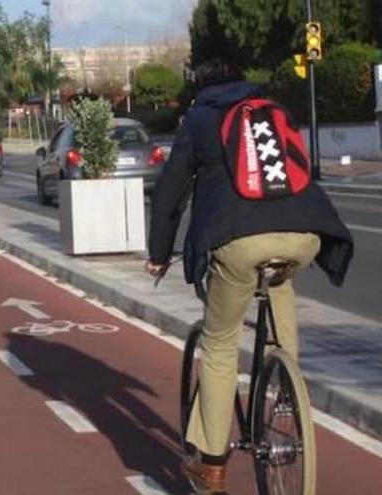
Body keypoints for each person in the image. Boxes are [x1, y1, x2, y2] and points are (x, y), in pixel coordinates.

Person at [146, 60, 353, 495]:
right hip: (305, 233)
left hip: (237, 241)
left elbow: (171, 192)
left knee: (220, 345)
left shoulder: (200, 118)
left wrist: (159, 254)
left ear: (200, 88)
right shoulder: (270, 108)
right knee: (280, 279)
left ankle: (213, 468)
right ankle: (284, 386)